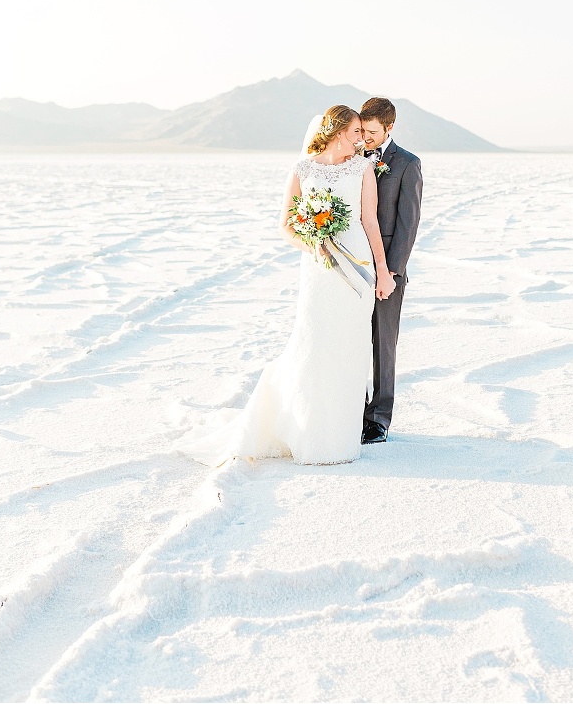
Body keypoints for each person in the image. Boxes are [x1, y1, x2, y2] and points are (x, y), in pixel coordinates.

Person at [175, 105, 396, 467]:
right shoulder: (303, 169)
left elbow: (370, 222)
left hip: (357, 265)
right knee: (316, 344)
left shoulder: (362, 168)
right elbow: (286, 226)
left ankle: (340, 437)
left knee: (350, 347)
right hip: (319, 270)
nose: (362, 139)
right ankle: (310, 433)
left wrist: (383, 272)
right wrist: (314, 243)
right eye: (356, 131)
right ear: (338, 132)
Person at [359, 97, 423, 444]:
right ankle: (352, 410)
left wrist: (392, 273)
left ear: (389, 127)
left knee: (383, 344)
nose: (366, 137)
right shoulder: (352, 157)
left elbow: (407, 224)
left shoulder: (407, 164)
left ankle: (378, 419)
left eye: (372, 132)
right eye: (363, 130)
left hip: (387, 269)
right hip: (352, 263)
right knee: (351, 340)